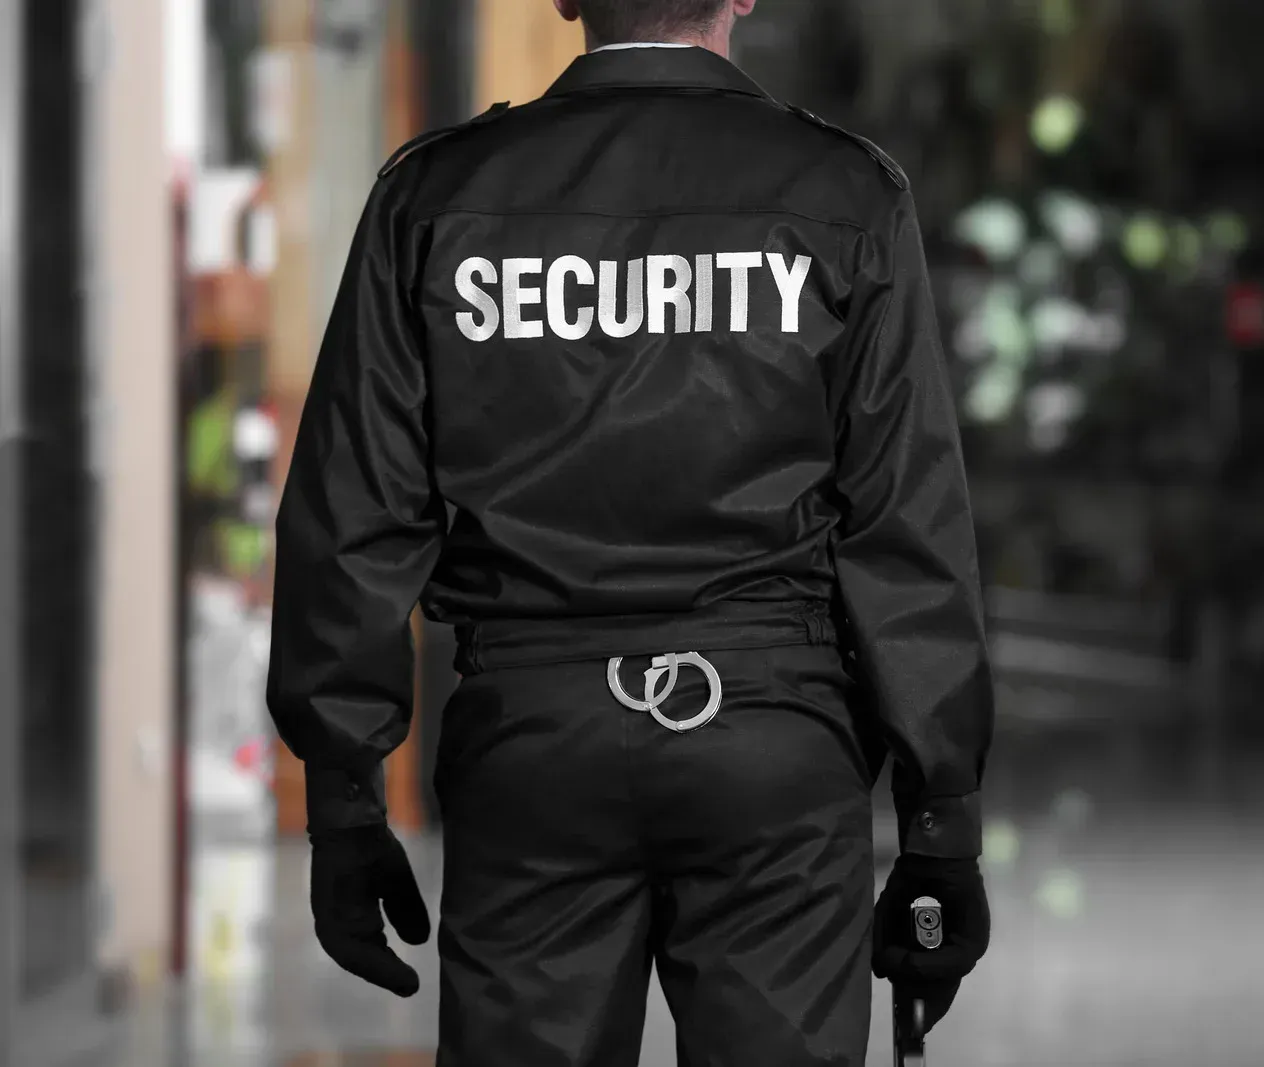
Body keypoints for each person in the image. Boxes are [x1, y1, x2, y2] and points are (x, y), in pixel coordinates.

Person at [265, 1, 994, 1063]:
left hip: (533, 745)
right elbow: (904, 528)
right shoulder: (842, 195)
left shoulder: (437, 196)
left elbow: (352, 511)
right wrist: (941, 819)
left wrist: (342, 793)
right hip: (773, 746)